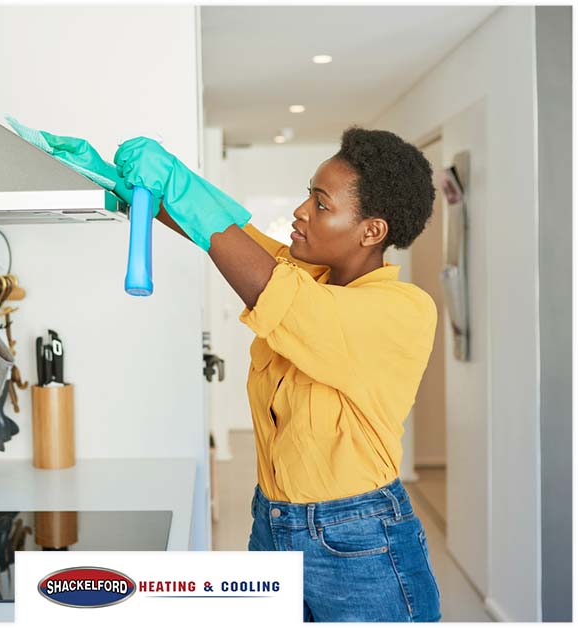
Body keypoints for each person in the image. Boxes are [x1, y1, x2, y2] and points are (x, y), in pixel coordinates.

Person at [22, 124, 442, 622]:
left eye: (322, 205)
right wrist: (123, 185)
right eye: (308, 196)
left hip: (360, 543)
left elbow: (272, 289)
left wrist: (175, 183)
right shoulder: (306, 273)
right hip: (273, 521)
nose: (301, 212)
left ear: (372, 231)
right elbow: (226, 230)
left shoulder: (402, 310)